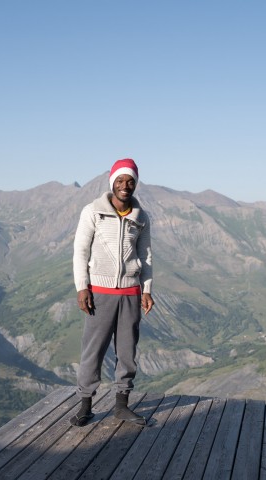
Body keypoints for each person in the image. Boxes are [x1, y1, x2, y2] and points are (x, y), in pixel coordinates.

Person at [70, 158, 154, 427]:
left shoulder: (140, 217)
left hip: (130, 291)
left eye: (130, 181)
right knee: (92, 351)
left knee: (127, 352)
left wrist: (147, 289)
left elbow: (146, 255)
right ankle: (85, 406)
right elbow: (80, 252)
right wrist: (82, 287)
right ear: (112, 183)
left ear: (135, 184)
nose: (125, 186)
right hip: (100, 292)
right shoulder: (93, 211)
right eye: (120, 181)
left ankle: (121, 406)